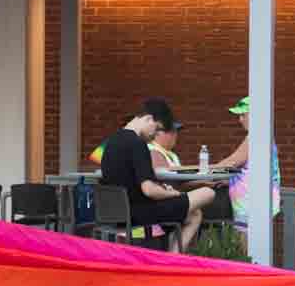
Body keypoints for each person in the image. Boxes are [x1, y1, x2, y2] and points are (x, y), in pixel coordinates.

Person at [95, 98, 215, 251]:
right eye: (156, 128)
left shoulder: (110, 142)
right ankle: (170, 261)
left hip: (115, 213)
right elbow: (149, 189)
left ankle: (171, 258)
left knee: (194, 214)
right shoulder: (138, 144)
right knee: (207, 193)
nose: (155, 134)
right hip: (139, 213)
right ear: (148, 118)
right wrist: (174, 194)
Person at [211, 96, 280, 234]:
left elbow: (233, 162)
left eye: (243, 115)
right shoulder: (262, 136)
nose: (240, 119)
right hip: (252, 202)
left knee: (248, 251)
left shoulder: (257, 136)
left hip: (251, 204)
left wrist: (204, 171)